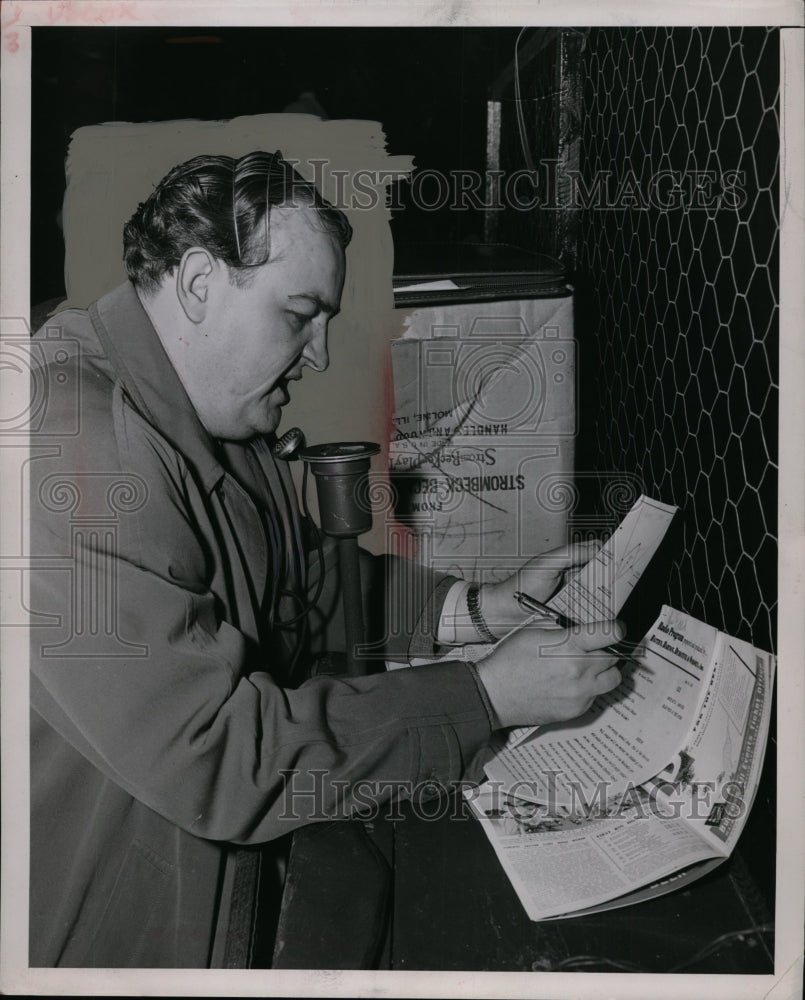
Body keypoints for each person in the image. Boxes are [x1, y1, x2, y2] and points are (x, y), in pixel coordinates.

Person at [28, 150, 623, 968]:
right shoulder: (70, 447)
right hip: (130, 938)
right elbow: (221, 759)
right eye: (300, 313)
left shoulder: (198, 408)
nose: (319, 353)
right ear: (200, 284)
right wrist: (483, 696)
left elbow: (298, 582)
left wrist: (478, 610)